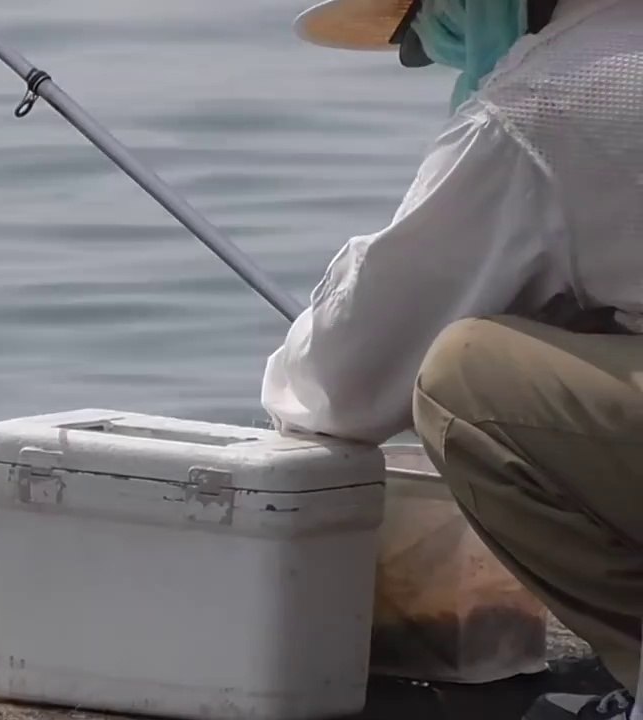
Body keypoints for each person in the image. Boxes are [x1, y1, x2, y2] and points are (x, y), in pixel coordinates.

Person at [261, 0, 643, 718]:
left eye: (432, 18)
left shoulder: (547, 96)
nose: (433, 42)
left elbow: (340, 384)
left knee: (463, 378)